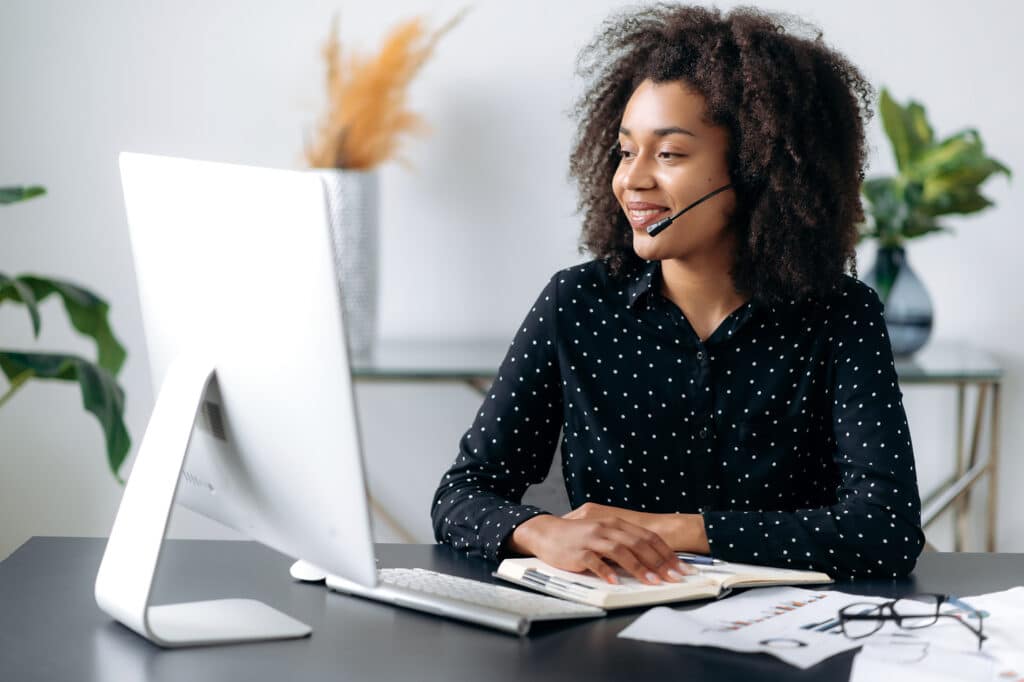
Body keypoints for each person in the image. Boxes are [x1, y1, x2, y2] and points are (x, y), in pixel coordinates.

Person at [430, 4, 925, 586]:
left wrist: (675, 531)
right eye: (624, 151)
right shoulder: (576, 304)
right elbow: (462, 494)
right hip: (609, 644)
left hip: (786, 643)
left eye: (669, 154)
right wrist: (542, 530)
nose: (632, 179)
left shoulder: (841, 315)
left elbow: (887, 529)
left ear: (755, 168)